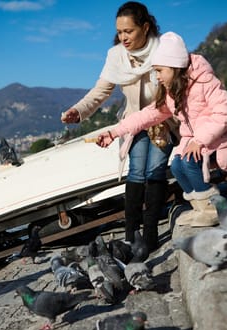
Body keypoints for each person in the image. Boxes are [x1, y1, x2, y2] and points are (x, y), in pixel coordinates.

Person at [61, 2, 177, 251]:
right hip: (134, 121)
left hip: (162, 120)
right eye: (120, 32)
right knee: (136, 171)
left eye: (129, 31)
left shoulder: (164, 50)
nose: (123, 37)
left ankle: (151, 232)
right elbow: (100, 91)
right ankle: (131, 233)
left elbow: (179, 88)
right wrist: (78, 111)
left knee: (155, 170)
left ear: (145, 28)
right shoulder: (116, 56)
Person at [96, 31, 227, 227]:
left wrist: (199, 141)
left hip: (220, 136)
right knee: (176, 166)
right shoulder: (172, 92)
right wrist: (114, 132)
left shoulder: (207, 82)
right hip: (195, 140)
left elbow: (224, 115)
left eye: (159, 70)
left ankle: (212, 209)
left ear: (175, 67)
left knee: (189, 162)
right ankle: (200, 208)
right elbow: (147, 115)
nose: (157, 77)